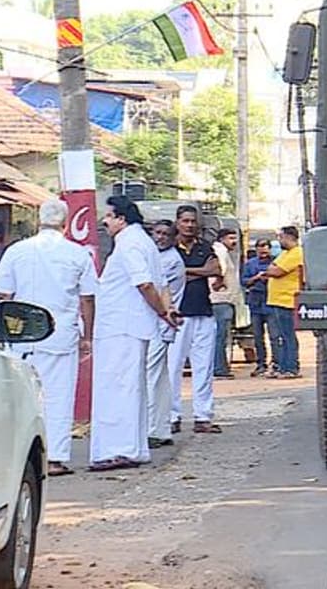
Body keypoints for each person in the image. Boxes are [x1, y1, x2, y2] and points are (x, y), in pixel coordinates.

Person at [0, 199, 97, 477]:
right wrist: (89, 337)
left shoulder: (17, 251)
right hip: (60, 334)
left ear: (39, 220)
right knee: (59, 397)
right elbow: (87, 299)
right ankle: (55, 458)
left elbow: (4, 295)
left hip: (23, 335)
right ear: (65, 222)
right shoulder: (77, 254)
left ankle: (18, 458)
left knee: (22, 396)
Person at [90, 196, 177, 472]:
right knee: (130, 387)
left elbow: (145, 284)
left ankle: (121, 449)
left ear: (122, 219)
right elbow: (160, 286)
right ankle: (133, 448)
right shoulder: (143, 243)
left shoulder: (130, 244)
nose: (105, 221)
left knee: (118, 388)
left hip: (122, 326)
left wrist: (163, 313)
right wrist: (166, 309)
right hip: (127, 326)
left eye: (109, 216)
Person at [170, 205, 224, 433]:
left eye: (193, 221)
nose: (190, 225)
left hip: (203, 311)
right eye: (185, 221)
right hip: (177, 315)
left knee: (204, 367)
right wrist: (200, 271)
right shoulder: (169, 248)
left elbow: (216, 269)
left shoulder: (204, 246)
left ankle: (203, 416)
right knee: (172, 367)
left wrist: (186, 272)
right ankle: (172, 416)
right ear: (177, 222)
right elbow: (170, 273)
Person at [148, 220, 186, 449]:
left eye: (166, 234)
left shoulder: (170, 260)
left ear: (173, 238)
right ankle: (162, 428)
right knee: (159, 379)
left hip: (160, 326)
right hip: (158, 326)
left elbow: (151, 288)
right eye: (158, 233)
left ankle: (152, 430)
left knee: (151, 379)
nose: (160, 237)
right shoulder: (159, 257)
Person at [256, 225, 304, 379]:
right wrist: (271, 269)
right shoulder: (285, 254)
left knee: (288, 336)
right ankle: (282, 367)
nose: (279, 240)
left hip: (287, 300)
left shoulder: (297, 253)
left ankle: (291, 367)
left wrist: (271, 270)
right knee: (280, 336)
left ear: (289, 237)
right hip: (277, 300)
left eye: (281, 237)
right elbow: (271, 268)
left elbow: (276, 271)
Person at [242, 238, 275, 377]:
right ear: (256, 249)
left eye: (266, 246)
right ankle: (261, 364)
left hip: (272, 300)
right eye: (260, 247)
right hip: (255, 302)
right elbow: (244, 281)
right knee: (257, 336)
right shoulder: (250, 264)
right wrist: (256, 278)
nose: (263, 250)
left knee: (275, 334)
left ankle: (276, 363)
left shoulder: (276, 262)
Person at [210, 228, 240, 380]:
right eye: (230, 238)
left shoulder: (221, 250)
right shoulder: (220, 251)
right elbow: (219, 269)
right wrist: (219, 281)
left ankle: (219, 367)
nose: (234, 241)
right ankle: (219, 368)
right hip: (221, 299)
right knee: (220, 336)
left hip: (222, 299)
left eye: (235, 238)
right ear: (222, 239)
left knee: (219, 336)